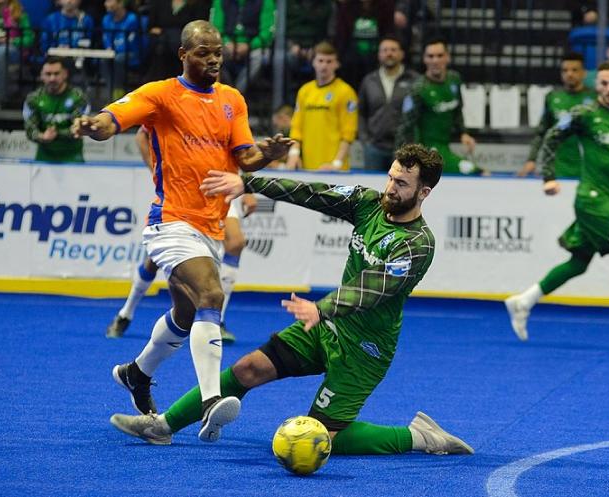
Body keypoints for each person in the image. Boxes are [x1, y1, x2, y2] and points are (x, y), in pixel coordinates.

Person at [109, 143, 475, 459]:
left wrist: (322, 307)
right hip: (325, 326)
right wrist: (248, 182)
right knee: (247, 369)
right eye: (391, 178)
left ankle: (420, 437)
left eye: (401, 184)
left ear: (423, 192)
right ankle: (162, 425)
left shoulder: (417, 244)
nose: (390, 188)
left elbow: (372, 288)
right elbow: (310, 192)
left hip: (365, 350)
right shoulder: (368, 203)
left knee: (321, 437)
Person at [71, 20, 293, 440]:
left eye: (218, 53)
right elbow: (111, 119)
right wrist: (91, 126)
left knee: (187, 313)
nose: (213, 60)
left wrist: (269, 152)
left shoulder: (233, 100)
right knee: (212, 294)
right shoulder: (160, 94)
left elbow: (245, 157)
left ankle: (136, 372)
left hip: (210, 225)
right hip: (170, 221)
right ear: (183, 55)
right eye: (204, 52)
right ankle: (211, 401)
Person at [505, 61, 609, 342]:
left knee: (580, 261)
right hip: (590, 201)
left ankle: (524, 301)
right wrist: (547, 175)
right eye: (604, 83)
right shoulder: (585, 114)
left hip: (605, 198)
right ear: (597, 85)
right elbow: (552, 135)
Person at [106, 126, 258, 343]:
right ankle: (125, 313)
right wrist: (156, 171)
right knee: (154, 261)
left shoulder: (228, 102)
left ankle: (218, 321)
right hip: (183, 192)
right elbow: (142, 135)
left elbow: (244, 150)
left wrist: (248, 188)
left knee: (236, 243)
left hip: (219, 190)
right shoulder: (176, 98)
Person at [396, 37, 486, 176]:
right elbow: (405, 126)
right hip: (427, 152)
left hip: (445, 147)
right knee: (477, 172)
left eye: (439, 55)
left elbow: (457, 110)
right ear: (424, 59)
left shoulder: (454, 80)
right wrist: (401, 161)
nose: (435, 60)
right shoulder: (418, 89)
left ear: (447, 57)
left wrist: (463, 133)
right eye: (430, 56)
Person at [517, 52, 595, 178]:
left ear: (584, 73)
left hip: (588, 170)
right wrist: (531, 160)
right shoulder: (552, 97)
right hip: (558, 168)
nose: (569, 74)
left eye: (574, 70)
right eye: (565, 70)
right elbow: (542, 132)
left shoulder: (595, 98)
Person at [285, 41, 358, 171]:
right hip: (308, 167)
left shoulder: (346, 92)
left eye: (329, 61)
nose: (324, 65)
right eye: (321, 60)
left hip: (335, 169)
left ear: (337, 64)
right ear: (313, 62)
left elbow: (348, 134)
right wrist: (294, 154)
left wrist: (336, 164)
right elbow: (296, 128)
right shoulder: (305, 91)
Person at [358, 35, 417, 171]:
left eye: (393, 50)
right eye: (384, 50)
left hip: (405, 149)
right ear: (379, 55)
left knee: (402, 190)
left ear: (402, 54)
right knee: (373, 191)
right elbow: (361, 113)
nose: (389, 53)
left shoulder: (414, 80)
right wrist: (365, 141)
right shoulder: (369, 81)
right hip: (374, 148)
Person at [23, 56, 90, 163]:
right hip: (43, 159)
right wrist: (42, 136)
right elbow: (30, 129)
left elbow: (79, 130)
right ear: (41, 76)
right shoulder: (33, 99)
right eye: (48, 74)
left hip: (73, 159)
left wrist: (57, 134)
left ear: (65, 74)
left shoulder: (78, 97)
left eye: (56, 73)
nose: (52, 78)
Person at [211, 0, 275, 93]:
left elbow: (267, 33)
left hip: (254, 46)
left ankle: (237, 93)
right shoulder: (219, 1)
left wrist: (249, 46)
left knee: (260, 57)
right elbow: (215, 29)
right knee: (213, 55)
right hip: (227, 45)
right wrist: (227, 43)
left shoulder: (266, 2)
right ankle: (225, 92)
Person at [0, 0, 34, 109]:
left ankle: (0, 97)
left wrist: (11, 40)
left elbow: (29, 39)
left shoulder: (19, 13)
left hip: (14, 50)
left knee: (0, 53)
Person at [101, 0, 143, 101]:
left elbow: (131, 41)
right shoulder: (106, 19)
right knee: (103, 60)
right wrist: (109, 48)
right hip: (114, 53)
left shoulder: (132, 19)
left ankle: (119, 93)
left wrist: (115, 51)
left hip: (132, 53)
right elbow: (106, 38)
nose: (106, 4)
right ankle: (110, 93)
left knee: (118, 59)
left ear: (120, 3)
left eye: (110, 1)